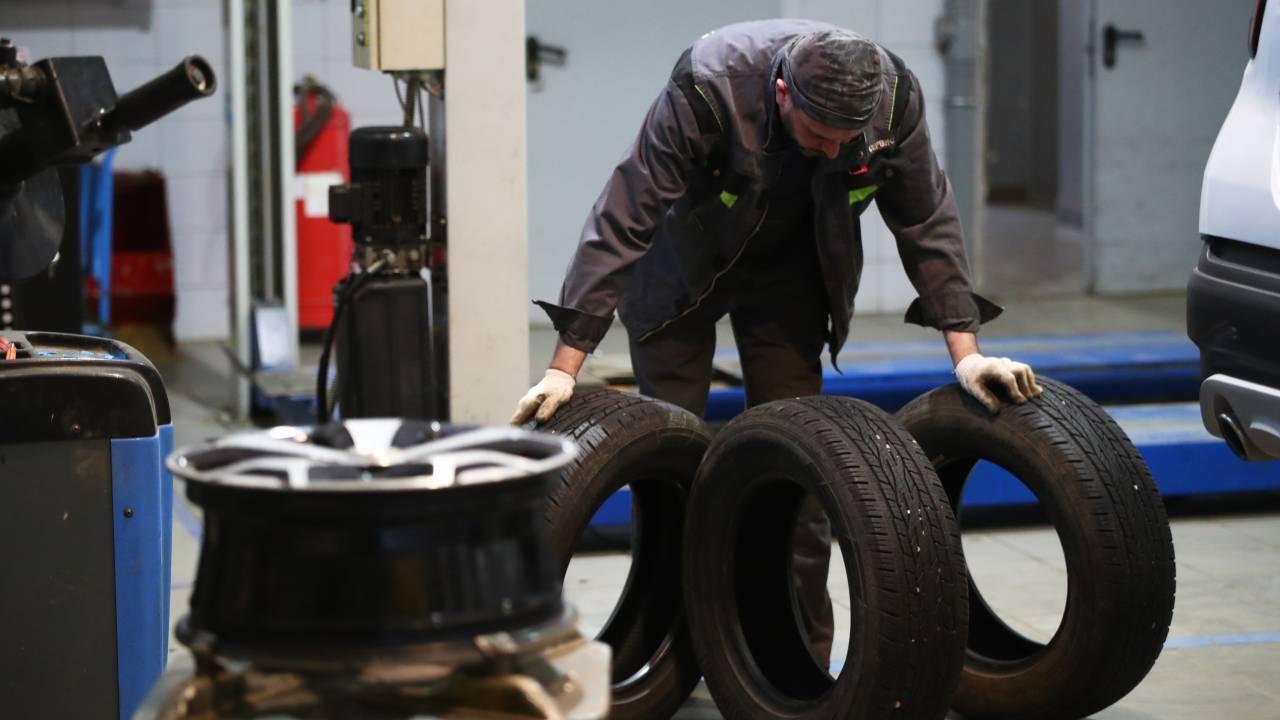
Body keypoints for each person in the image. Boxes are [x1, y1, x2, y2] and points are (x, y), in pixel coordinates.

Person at [511, 19, 1043, 664]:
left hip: (796, 266)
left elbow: (927, 220)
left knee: (800, 461)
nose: (832, 149)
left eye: (845, 139)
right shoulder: (709, 86)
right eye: (819, 134)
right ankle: (667, 653)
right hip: (683, 266)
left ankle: (792, 661)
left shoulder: (892, 101)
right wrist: (564, 368)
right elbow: (623, 218)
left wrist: (968, 356)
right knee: (663, 457)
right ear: (784, 92)